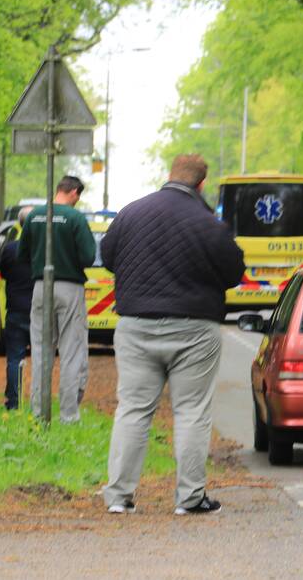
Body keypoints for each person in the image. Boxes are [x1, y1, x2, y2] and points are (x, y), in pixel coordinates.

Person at [102, 154, 244, 516]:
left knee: (133, 409)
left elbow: (107, 257)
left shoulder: (131, 213)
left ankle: (118, 496)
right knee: (192, 412)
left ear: (169, 176)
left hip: (136, 325)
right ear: (200, 185)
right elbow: (233, 272)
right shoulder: (210, 224)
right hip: (195, 329)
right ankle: (190, 497)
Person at [19, 176, 95, 423]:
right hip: (69, 287)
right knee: (71, 351)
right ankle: (68, 414)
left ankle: (39, 412)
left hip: (41, 286)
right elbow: (88, 256)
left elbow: (23, 254)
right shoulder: (75, 218)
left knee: (41, 350)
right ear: (73, 192)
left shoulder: (34, 216)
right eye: (78, 195)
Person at [0, 207, 34, 410]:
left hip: (16, 309)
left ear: (19, 224)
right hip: (39, 310)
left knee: (14, 358)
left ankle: (13, 402)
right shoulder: (44, 249)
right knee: (40, 359)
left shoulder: (11, 249)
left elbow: (3, 272)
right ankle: (38, 402)